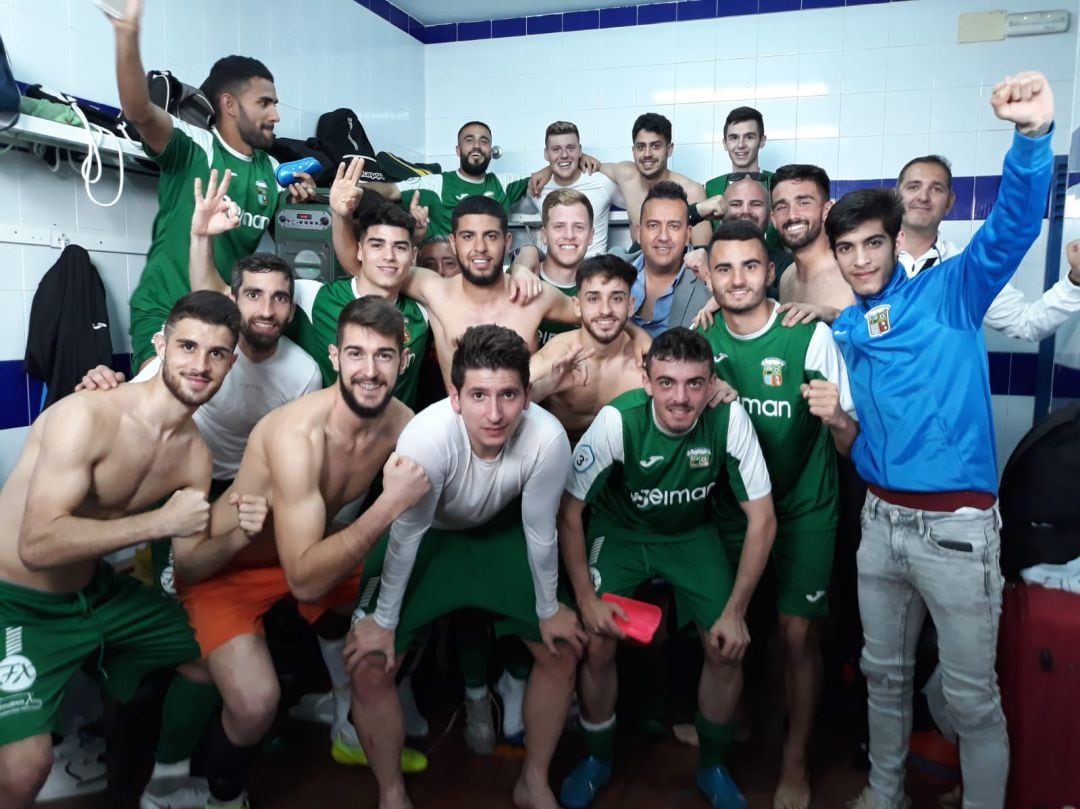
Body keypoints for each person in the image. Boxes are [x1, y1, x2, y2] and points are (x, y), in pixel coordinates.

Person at [826, 71, 1054, 809]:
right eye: (847, 250)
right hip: (879, 526)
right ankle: (883, 791)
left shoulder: (950, 291)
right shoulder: (850, 327)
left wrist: (1031, 138)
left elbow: (1013, 227)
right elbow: (871, 427)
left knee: (970, 697)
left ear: (898, 241)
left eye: (872, 245)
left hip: (956, 531)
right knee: (884, 675)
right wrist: (838, 423)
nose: (860, 260)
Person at [172, 298, 431, 809]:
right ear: (335, 358)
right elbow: (306, 581)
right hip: (226, 566)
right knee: (254, 702)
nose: (370, 370)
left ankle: (348, 719)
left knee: (412, 601)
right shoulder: (297, 434)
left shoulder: (406, 422)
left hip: (305, 546)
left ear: (404, 362)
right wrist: (386, 508)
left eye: (384, 356)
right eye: (356, 354)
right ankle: (224, 797)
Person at [0, 291, 241, 808]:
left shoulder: (195, 456)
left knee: (212, 657)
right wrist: (158, 521)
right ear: (160, 345)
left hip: (98, 594)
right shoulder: (87, 416)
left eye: (216, 354)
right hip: (17, 603)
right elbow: (37, 544)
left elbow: (191, 559)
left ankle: (165, 782)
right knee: (24, 770)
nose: (200, 365)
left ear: (232, 362)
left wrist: (239, 528)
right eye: (188, 347)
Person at [347, 325, 587, 809]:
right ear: (455, 396)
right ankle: (391, 794)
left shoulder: (547, 437)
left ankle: (533, 782)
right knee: (370, 663)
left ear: (526, 395)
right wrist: (383, 623)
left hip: (500, 535)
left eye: (507, 395)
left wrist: (548, 608)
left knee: (560, 647)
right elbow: (407, 533)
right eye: (478, 395)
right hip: (427, 538)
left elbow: (541, 528)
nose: (494, 413)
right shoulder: (427, 437)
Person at [557, 327, 776, 809]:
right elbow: (569, 512)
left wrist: (736, 611)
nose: (681, 398)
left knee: (726, 645)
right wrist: (587, 599)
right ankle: (597, 758)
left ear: (711, 382)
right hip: (620, 534)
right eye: (668, 382)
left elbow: (762, 518)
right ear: (647, 379)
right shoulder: (618, 421)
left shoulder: (728, 417)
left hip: (689, 535)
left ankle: (712, 767)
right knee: (595, 640)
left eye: (695, 383)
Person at [699, 221, 858, 809]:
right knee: (723, 630)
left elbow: (849, 444)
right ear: (708, 276)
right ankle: (730, 723)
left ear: (770, 273)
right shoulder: (703, 336)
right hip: (733, 510)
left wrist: (838, 417)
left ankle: (796, 761)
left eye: (749, 267)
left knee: (796, 635)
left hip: (803, 506)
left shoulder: (806, 336)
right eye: (724, 268)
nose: (737, 279)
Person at [103, 0, 315, 372]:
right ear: (230, 105)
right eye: (265, 103)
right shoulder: (196, 148)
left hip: (222, 318)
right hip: (166, 309)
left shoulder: (272, 170)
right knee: (162, 408)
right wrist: (126, 35)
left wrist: (303, 197)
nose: (276, 115)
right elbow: (138, 111)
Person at [897, 155, 1080, 338]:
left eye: (936, 189)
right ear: (896, 197)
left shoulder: (968, 269)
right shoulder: (870, 262)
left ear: (949, 202)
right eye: (914, 187)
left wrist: (1075, 280)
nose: (923, 197)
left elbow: (1027, 324)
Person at [302, 169, 431, 403]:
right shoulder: (317, 300)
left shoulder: (423, 313)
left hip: (397, 436)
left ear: (413, 256)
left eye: (399, 247)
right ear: (360, 250)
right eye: (377, 245)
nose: (388, 256)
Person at [531, 113, 719, 251]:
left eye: (655, 146)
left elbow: (702, 253)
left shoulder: (691, 191)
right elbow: (573, 162)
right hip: (639, 269)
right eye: (641, 147)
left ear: (669, 149)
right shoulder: (626, 175)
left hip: (678, 270)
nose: (647, 155)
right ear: (633, 150)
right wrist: (547, 169)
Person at [530, 254, 646, 443]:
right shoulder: (558, 355)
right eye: (593, 299)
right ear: (577, 306)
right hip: (560, 455)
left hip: (621, 462)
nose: (605, 310)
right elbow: (505, 403)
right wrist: (545, 386)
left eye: (616, 298)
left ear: (630, 305)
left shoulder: (645, 363)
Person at [360, 121, 530, 236]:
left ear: (490, 150)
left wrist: (546, 171)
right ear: (458, 150)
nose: (477, 146)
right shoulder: (436, 183)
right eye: (469, 140)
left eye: (484, 141)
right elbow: (389, 190)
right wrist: (352, 186)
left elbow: (542, 177)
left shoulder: (505, 183)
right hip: (445, 271)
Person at [630, 182, 713, 336]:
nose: (663, 237)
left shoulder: (708, 283)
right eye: (653, 225)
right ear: (638, 233)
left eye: (674, 226)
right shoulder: (614, 268)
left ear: (688, 234)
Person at [771, 164, 855, 314]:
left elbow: (886, 328)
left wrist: (834, 315)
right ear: (773, 219)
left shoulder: (852, 271)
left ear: (827, 210)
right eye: (782, 207)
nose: (792, 215)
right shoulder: (786, 278)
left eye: (804, 203)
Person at [528, 121, 618, 256]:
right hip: (556, 274)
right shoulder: (537, 188)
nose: (564, 155)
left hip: (595, 271)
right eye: (556, 149)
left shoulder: (603, 183)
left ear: (580, 150)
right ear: (546, 154)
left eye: (570, 148)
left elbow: (638, 191)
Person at [535, 189, 594, 347]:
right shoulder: (522, 280)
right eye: (559, 226)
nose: (569, 235)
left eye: (579, 227)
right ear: (544, 235)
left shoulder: (600, 290)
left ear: (591, 236)